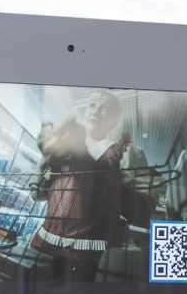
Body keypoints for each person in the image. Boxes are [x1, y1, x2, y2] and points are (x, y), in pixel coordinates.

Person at [31, 90, 132, 282]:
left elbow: (131, 207)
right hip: (46, 243)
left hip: (86, 254)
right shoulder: (64, 148)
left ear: (115, 119)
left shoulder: (122, 154)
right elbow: (37, 194)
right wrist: (45, 163)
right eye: (92, 105)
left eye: (104, 108)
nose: (95, 111)